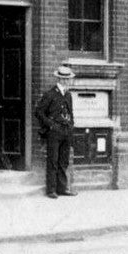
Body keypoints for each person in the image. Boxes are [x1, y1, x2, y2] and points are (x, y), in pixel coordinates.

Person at [34, 66, 77, 198]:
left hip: (66, 131)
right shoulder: (50, 94)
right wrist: (51, 125)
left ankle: (62, 188)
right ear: (60, 79)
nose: (67, 81)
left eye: (68, 79)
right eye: (65, 79)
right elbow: (39, 112)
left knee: (63, 161)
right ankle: (51, 190)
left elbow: (70, 113)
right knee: (53, 160)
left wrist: (71, 125)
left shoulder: (68, 95)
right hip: (54, 132)